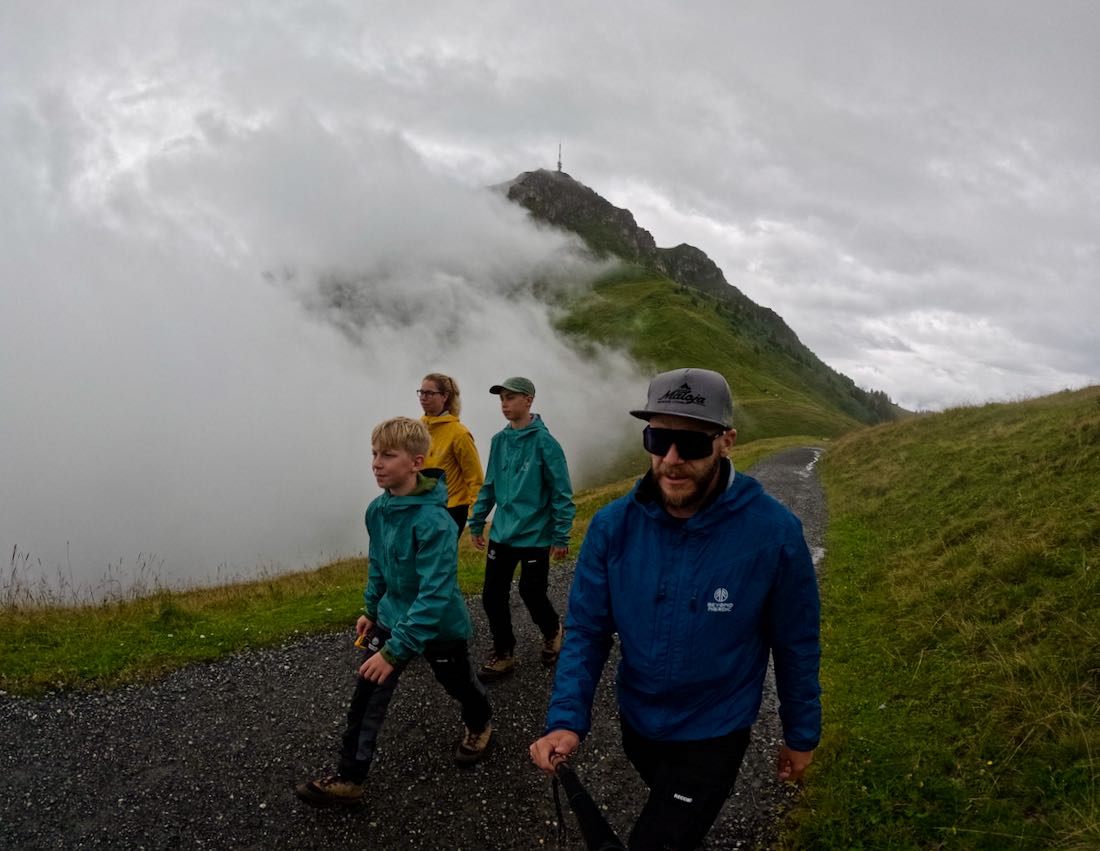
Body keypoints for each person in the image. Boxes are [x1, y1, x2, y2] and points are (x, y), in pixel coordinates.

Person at [530, 368, 821, 850]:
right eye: (657, 437)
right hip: (639, 725)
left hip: (715, 732)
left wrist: (801, 733)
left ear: (726, 441)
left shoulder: (775, 533)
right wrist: (566, 717)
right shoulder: (611, 527)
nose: (670, 459)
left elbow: (795, 642)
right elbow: (586, 631)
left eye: (689, 444)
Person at [295, 417, 493, 807]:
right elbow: (379, 563)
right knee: (366, 696)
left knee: (459, 685)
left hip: (439, 627)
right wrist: (372, 609)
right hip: (390, 618)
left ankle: (480, 722)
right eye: (374, 454)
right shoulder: (377, 510)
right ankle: (350, 778)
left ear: (416, 462)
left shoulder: (434, 522)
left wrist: (395, 650)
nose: (376, 463)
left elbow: (435, 595)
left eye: (388, 455)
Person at [468, 377, 575, 681]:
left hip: (535, 535)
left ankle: (553, 630)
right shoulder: (499, 441)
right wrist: (477, 521)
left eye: (510, 398)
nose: (504, 404)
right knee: (492, 596)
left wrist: (561, 535)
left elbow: (561, 493)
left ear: (528, 400)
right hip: (502, 534)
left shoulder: (545, 443)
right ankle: (504, 653)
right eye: (501, 399)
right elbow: (489, 485)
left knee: (531, 592)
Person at [418, 372, 484, 535]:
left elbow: (475, 479)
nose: (423, 397)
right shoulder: (418, 428)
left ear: (445, 396)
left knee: (440, 558)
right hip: (424, 505)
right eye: (421, 392)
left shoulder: (459, 433)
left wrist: (476, 517)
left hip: (452, 509)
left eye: (429, 393)